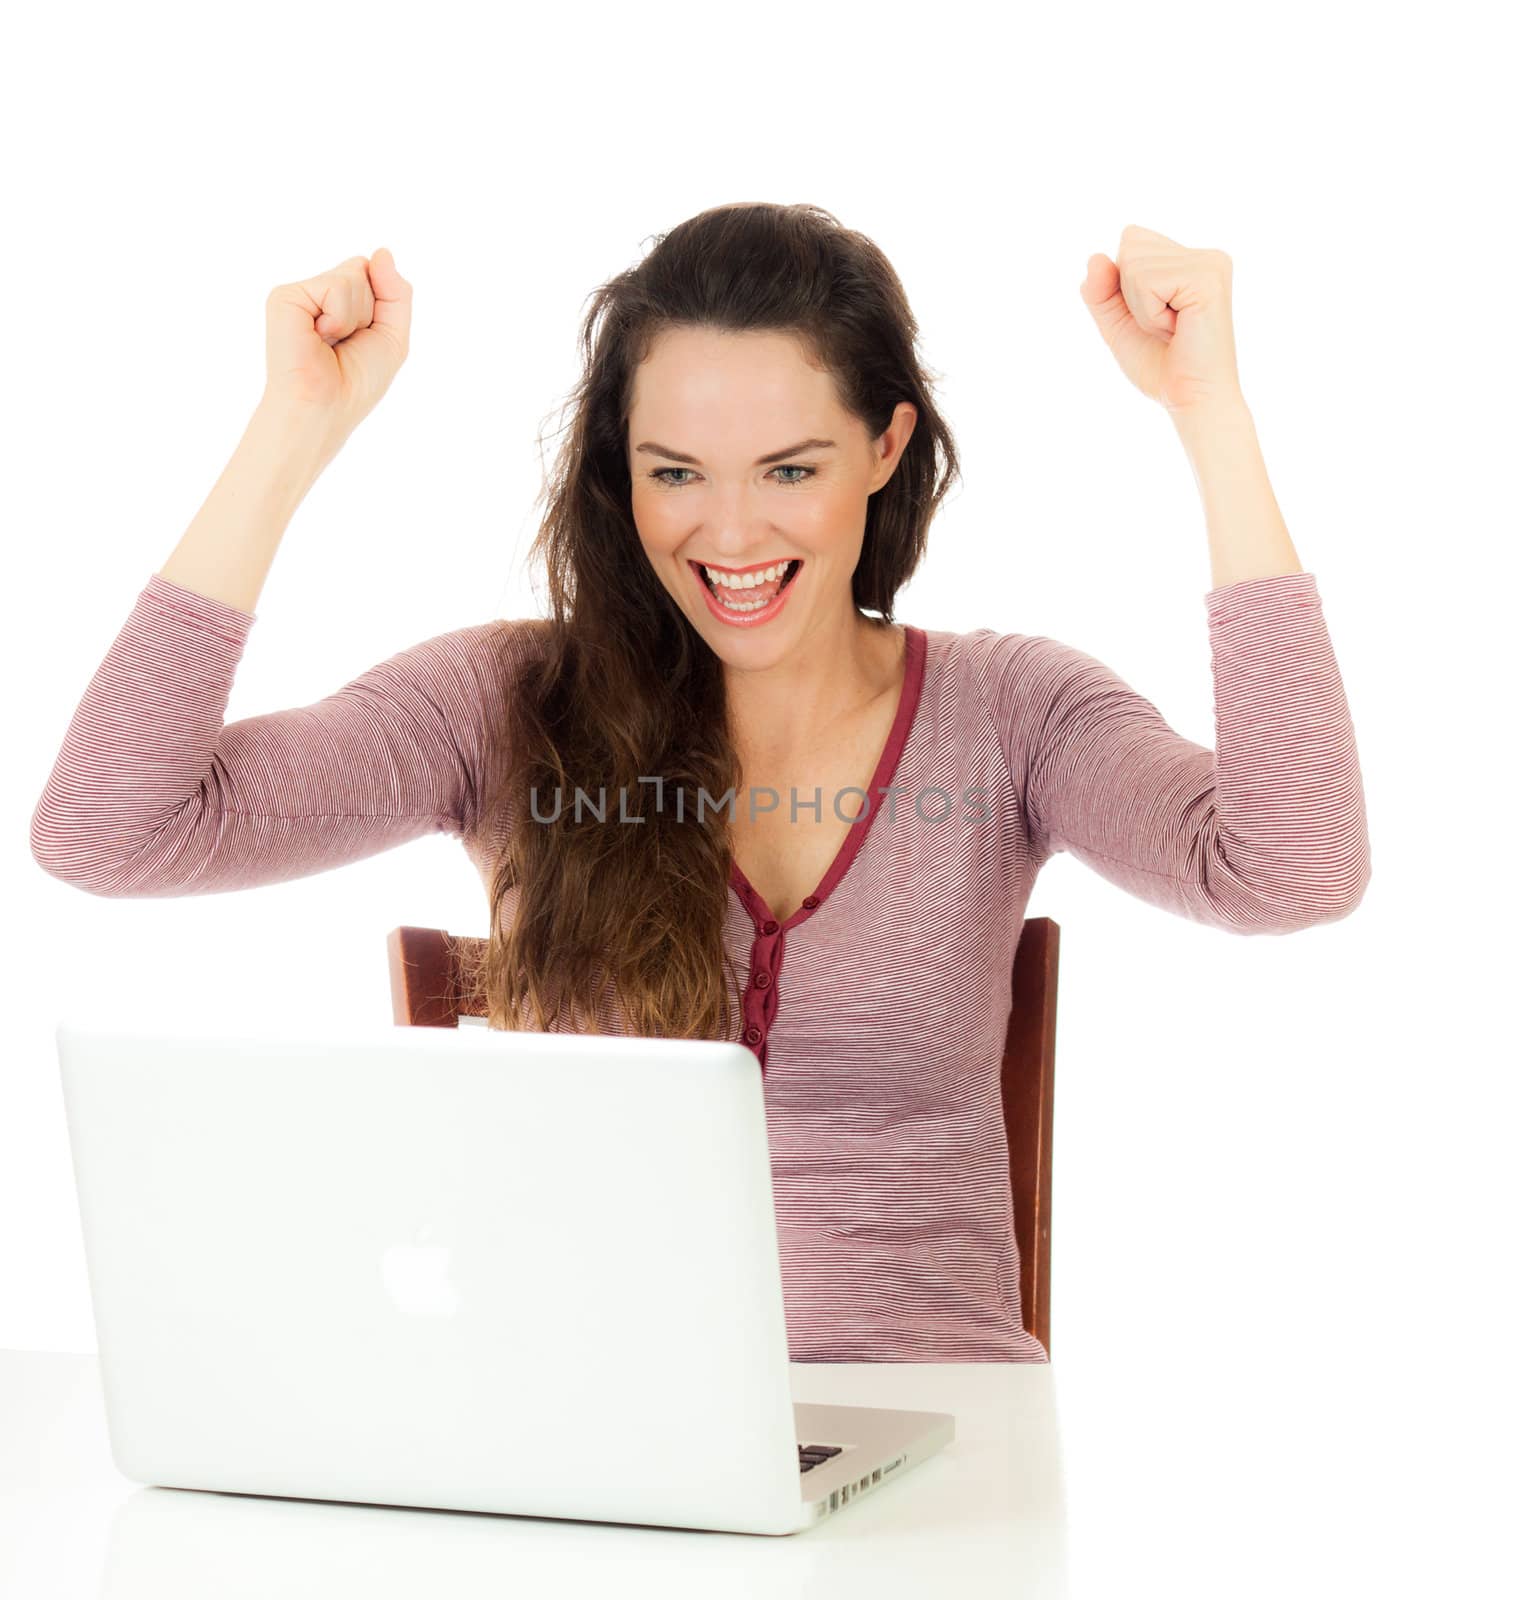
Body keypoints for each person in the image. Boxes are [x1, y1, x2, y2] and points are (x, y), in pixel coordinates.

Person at [28, 203, 1370, 1362]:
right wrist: (292, 430)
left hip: (935, 1426)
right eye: (676, 472)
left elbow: (1289, 870)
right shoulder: (503, 704)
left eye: (790, 469)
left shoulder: (1014, 712)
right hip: (584, 1423)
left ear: (886, 449)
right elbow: (112, 831)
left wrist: (1210, 416)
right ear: (622, 469)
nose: (730, 535)